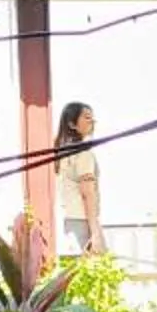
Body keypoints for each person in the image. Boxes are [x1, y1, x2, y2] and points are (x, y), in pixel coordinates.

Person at [55, 100, 104, 254]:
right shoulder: (84, 154)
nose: (93, 121)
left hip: (68, 222)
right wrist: (95, 232)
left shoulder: (61, 154)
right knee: (99, 265)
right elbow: (87, 194)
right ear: (72, 124)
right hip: (83, 222)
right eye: (87, 117)